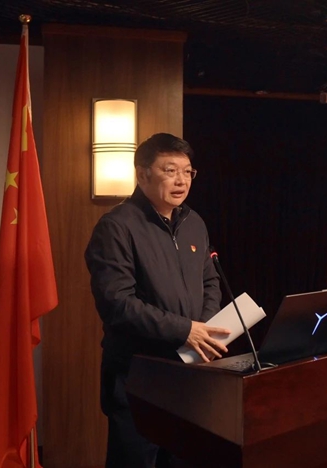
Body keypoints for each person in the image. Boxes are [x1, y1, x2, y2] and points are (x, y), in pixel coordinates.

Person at [85, 133, 230, 468]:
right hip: (138, 374)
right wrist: (185, 330)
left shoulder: (193, 222)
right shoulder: (116, 226)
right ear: (142, 174)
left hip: (187, 372)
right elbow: (117, 303)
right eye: (170, 170)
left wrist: (204, 328)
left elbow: (210, 282)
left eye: (187, 172)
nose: (181, 181)